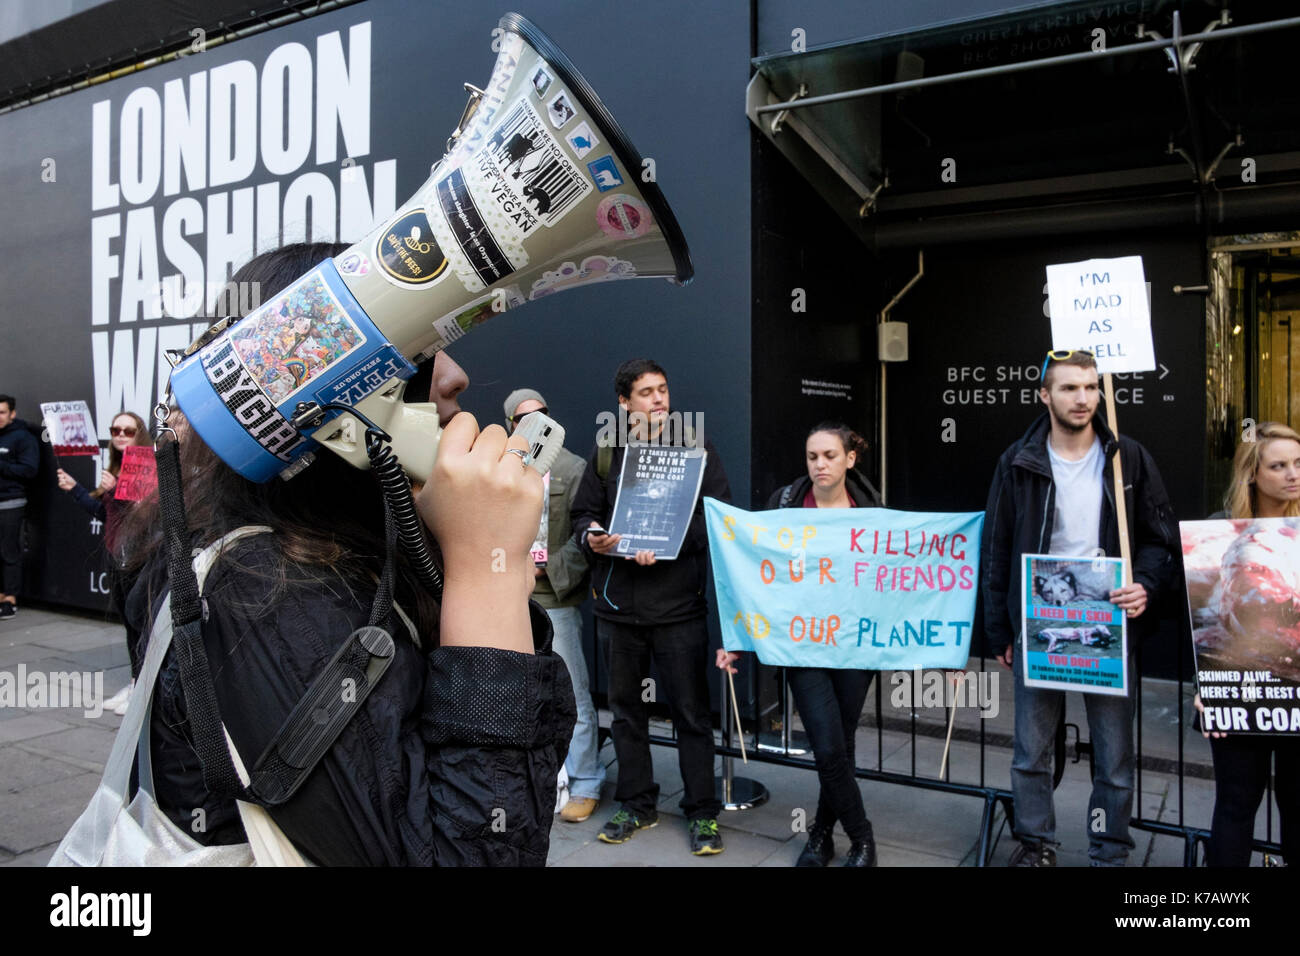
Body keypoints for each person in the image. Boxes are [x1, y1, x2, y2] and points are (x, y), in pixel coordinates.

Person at [115, 242, 576, 865]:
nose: (453, 375)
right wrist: (483, 571)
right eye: (414, 349)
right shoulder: (262, 596)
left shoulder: (329, 559)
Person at [980, 349, 1176, 867]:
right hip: (1038, 616)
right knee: (1031, 750)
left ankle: (1109, 851)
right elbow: (997, 547)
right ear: (1045, 395)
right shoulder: (1017, 461)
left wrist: (1147, 584)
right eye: (1069, 388)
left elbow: (1161, 540)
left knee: (1113, 754)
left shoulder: (1126, 458)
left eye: (1091, 387)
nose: (1083, 398)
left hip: (1107, 616)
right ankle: (1034, 843)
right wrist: (1000, 628)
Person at [571, 358, 730, 855]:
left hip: (679, 608)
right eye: (646, 392)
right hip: (617, 610)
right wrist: (592, 537)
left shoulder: (696, 449)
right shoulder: (606, 452)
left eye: (662, 389)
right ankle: (636, 805)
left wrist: (667, 542)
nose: (659, 399)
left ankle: (703, 814)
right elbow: (582, 516)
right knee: (625, 715)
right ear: (624, 403)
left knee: (691, 716)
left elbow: (718, 518)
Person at [717, 422, 882, 866]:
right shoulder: (785, 504)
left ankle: (821, 836)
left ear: (850, 458)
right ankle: (863, 840)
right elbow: (757, 577)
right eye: (813, 457)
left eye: (830, 455)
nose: (820, 464)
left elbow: (891, 586)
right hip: (802, 647)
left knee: (840, 746)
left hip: (853, 648)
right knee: (826, 746)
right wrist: (737, 639)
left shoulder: (872, 511)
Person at [1194, 421, 1300, 866]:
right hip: (1240, 686)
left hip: (1297, 684)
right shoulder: (1218, 531)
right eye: (1279, 466)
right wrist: (1204, 690)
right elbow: (1199, 617)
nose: (1293, 474)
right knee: (1236, 802)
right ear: (1252, 473)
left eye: (1298, 463)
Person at [504, 387, 605, 822]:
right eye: (526, 418)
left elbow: (585, 538)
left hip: (554, 600)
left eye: (543, 414)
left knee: (572, 695)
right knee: (521, 696)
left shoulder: (574, 468)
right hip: (508, 596)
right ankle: (543, 781)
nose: (537, 423)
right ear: (511, 426)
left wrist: (548, 571)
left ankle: (585, 782)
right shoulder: (500, 471)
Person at [56, 410, 151, 714]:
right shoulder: (116, 466)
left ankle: (144, 689)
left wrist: (116, 491)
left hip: (139, 557)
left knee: (141, 623)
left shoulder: (144, 463)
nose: (120, 435)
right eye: (115, 430)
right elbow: (104, 515)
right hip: (116, 555)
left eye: (128, 430)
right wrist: (75, 490)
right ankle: (136, 681)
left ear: (140, 434)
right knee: (129, 623)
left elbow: (142, 518)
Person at [0, 394, 39, 621]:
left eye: (2, 412)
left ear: (12, 413)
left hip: (11, 502)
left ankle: (10, 599)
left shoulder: (23, 437)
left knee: (8, 551)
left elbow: (29, 470)